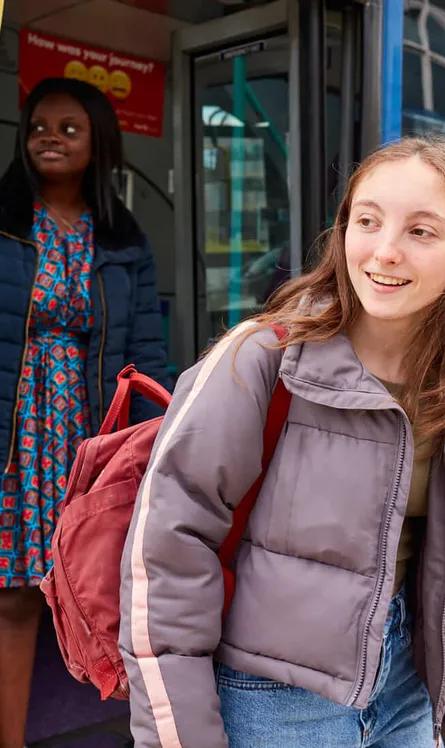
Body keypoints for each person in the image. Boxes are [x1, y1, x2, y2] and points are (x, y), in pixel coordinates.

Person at [119, 137, 445, 748]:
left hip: (406, 695)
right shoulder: (259, 360)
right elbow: (165, 562)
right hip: (272, 703)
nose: (385, 251)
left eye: (422, 231)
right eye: (367, 221)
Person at [0, 77, 169, 747]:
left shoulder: (122, 241)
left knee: (101, 589)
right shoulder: (7, 223)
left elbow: (146, 353)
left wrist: (157, 445)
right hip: (15, 436)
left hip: (86, 438)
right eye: (40, 126)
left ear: (99, 144)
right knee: (14, 598)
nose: (51, 137)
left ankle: (135, 733)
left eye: (70, 129)